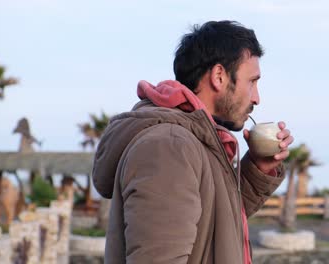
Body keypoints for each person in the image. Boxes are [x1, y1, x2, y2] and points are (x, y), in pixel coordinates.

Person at [92, 20, 294, 264]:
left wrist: (257, 168)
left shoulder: (195, 142)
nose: (257, 98)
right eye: (252, 81)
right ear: (219, 76)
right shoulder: (169, 147)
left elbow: (213, 228)